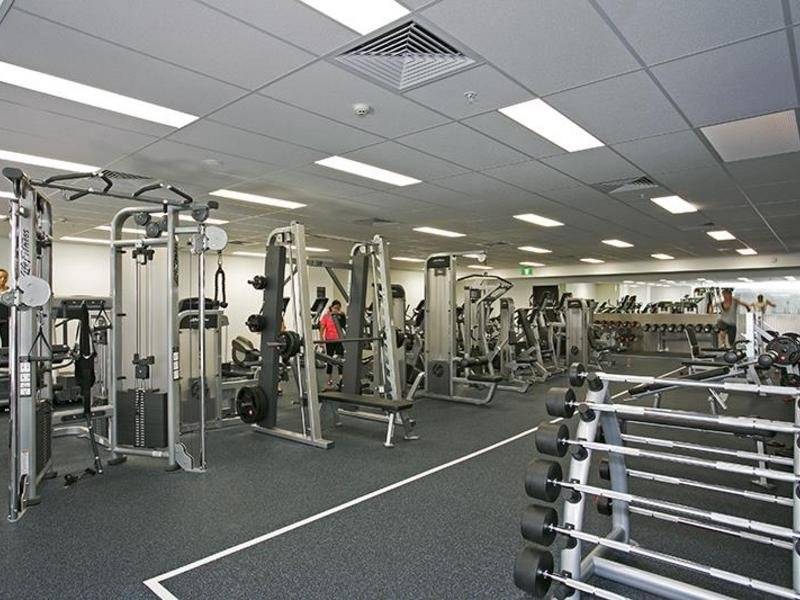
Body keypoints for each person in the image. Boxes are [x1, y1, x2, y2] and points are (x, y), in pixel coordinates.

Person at [319, 300, 346, 387]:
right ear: (331, 307)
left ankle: (341, 379)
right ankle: (329, 379)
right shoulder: (326, 316)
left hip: (339, 340)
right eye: (335, 308)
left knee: (340, 360)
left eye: (338, 308)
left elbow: (344, 325)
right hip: (329, 340)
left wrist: (342, 315)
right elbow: (322, 329)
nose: (336, 310)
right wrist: (321, 340)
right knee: (329, 360)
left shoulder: (340, 316)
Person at [0, 268, 9, 347]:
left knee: (6, 343)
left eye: (5, 277)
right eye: (0, 277)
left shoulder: (10, 292)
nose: (3, 279)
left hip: (5, 321)